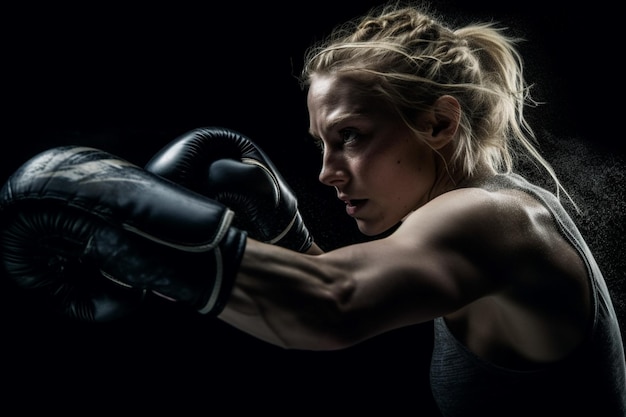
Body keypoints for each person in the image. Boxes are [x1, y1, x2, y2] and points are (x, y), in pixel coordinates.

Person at [0, 2, 624, 416]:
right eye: (322, 144)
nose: (327, 172)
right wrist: (283, 238)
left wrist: (105, 207)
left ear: (438, 123)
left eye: (350, 136)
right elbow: (346, 287)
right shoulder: (486, 222)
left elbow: (329, 305)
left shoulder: (490, 220)